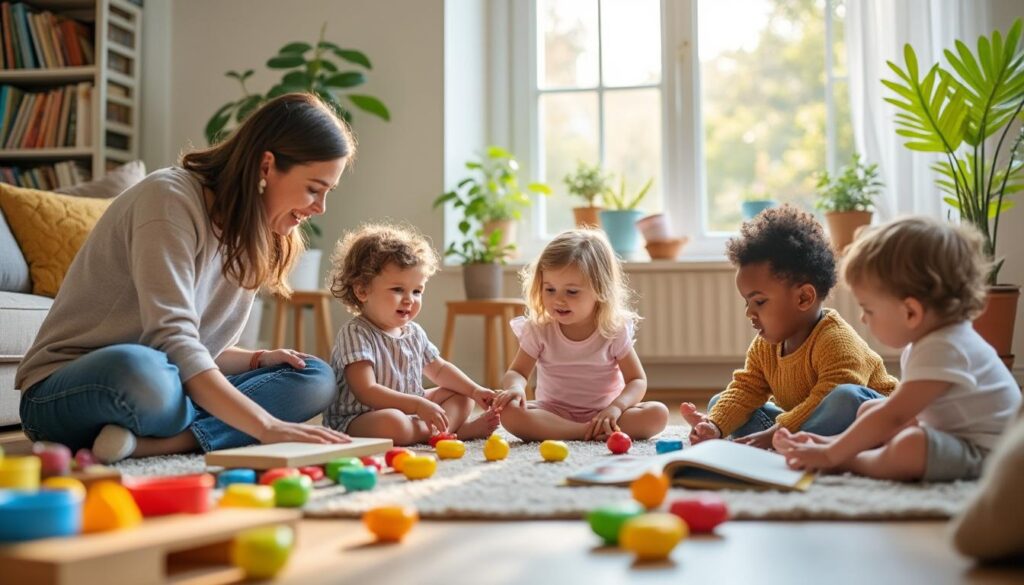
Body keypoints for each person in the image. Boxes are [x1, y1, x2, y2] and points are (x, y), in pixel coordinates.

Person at [16, 93, 353, 463]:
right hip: (74, 388)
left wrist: (258, 359)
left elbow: (202, 350)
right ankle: (199, 433)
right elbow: (173, 339)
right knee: (144, 373)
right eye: (313, 189)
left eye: (328, 193)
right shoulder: (169, 199)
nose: (319, 208)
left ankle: (156, 444)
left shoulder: (256, 230)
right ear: (267, 166)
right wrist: (266, 427)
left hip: (169, 379)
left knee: (315, 377)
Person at [774, 217, 1022, 481]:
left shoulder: (945, 346)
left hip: (987, 455)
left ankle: (854, 462)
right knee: (870, 410)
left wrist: (832, 454)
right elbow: (907, 411)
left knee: (911, 445)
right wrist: (827, 441)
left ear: (911, 312)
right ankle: (847, 452)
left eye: (868, 309)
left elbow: (895, 416)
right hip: (952, 435)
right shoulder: (933, 340)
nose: (863, 319)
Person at [680, 205, 897, 449]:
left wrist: (777, 431)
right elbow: (746, 388)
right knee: (720, 403)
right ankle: (784, 441)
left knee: (844, 397)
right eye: (747, 302)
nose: (749, 312)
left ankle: (783, 439)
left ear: (804, 298)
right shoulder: (764, 347)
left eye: (759, 302)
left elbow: (829, 399)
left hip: (876, 421)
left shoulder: (836, 340)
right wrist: (715, 425)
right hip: (807, 423)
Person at [322, 223, 500, 445]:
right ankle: (453, 433)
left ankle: (441, 432)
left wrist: (475, 390)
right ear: (362, 290)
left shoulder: (414, 333)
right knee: (394, 422)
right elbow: (366, 390)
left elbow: (440, 369)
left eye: (417, 291)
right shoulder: (355, 333)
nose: (409, 300)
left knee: (461, 397)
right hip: (360, 418)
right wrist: (416, 406)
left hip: (410, 409)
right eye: (398, 289)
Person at [492, 228, 669, 442]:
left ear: (600, 289)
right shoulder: (539, 329)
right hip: (553, 413)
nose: (558, 300)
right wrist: (515, 388)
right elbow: (517, 372)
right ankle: (583, 433)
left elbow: (637, 380)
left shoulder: (613, 329)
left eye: (572, 291)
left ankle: (593, 429)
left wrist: (616, 408)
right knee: (510, 413)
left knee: (657, 413)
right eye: (550, 290)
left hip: (605, 414)